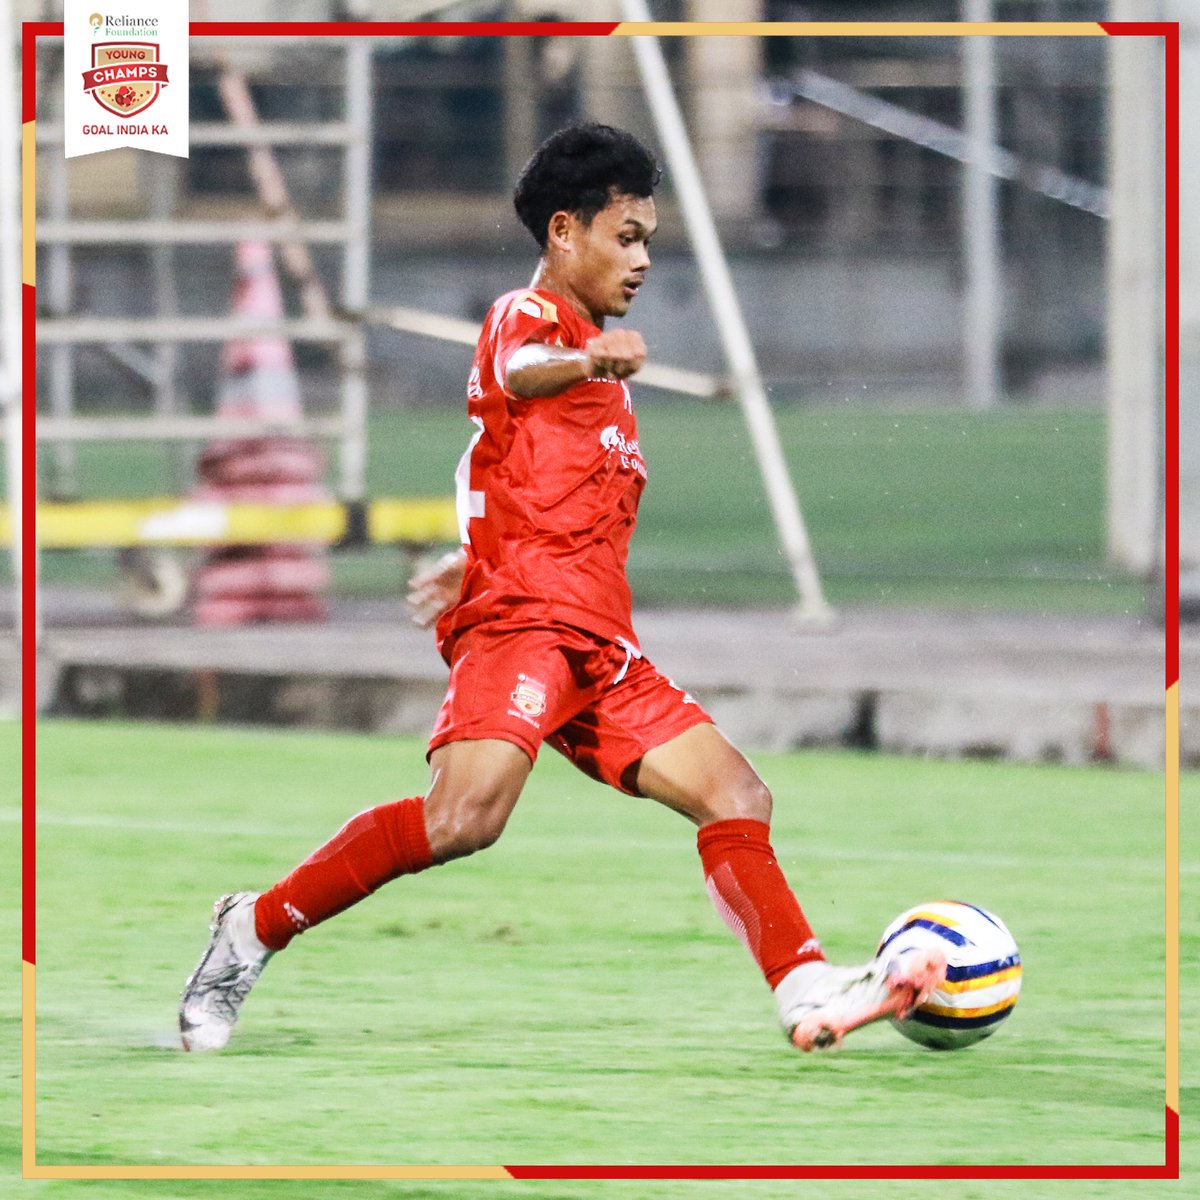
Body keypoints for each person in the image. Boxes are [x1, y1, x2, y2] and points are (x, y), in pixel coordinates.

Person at [179, 123, 945, 1055]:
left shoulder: (603, 375)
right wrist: (586, 361)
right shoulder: (531, 321)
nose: (644, 258)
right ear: (563, 233)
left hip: (600, 644)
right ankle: (250, 929)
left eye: (649, 239)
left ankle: (803, 986)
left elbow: (504, 467)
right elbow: (514, 376)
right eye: (627, 236)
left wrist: (476, 547)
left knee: (738, 795)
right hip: (525, 630)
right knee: (464, 820)